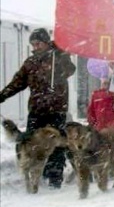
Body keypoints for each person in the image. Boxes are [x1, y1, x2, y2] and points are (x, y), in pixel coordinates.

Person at [0, 28, 76, 189]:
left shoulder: (59, 58)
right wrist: (3, 95)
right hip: (36, 110)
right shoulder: (30, 63)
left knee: (55, 144)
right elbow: (18, 82)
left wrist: (60, 52)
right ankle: (35, 173)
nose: (35, 47)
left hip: (56, 110)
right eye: (33, 44)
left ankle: (54, 176)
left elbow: (70, 69)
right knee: (31, 143)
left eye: (38, 43)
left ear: (47, 42)